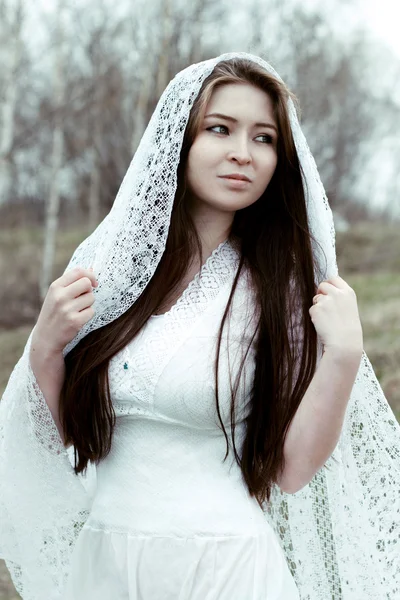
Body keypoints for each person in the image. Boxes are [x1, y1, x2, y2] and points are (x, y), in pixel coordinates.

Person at [0, 52, 399, 600]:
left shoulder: (277, 290)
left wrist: (344, 355)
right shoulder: (114, 275)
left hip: (224, 571)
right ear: (179, 141)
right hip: (106, 570)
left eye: (264, 138)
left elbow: (290, 470)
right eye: (220, 129)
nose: (243, 153)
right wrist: (45, 349)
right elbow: (67, 436)